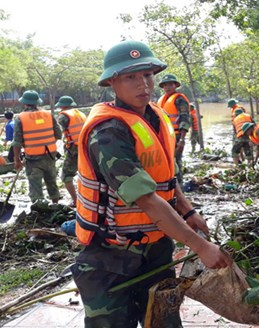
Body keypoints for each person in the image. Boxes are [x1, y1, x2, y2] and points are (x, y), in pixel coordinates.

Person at [71, 40, 231, 328]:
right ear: (112, 82)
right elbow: (146, 198)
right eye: (130, 77)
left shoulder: (155, 116)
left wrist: (188, 211)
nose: (142, 84)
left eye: (147, 75)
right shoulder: (108, 132)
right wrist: (200, 246)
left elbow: (167, 178)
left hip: (155, 249)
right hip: (111, 256)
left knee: (163, 321)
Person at [12, 90, 62, 204]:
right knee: (52, 182)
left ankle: (39, 212)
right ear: (37, 103)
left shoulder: (20, 117)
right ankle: (56, 206)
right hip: (50, 155)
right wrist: (46, 142)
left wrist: (17, 160)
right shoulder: (48, 114)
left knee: (35, 187)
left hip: (33, 158)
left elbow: (17, 142)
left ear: (24, 103)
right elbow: (58, 134)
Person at [157, 73, 191, 185]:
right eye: (165, 85)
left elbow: (185, 118)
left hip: (176, 136)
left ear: (175, 85)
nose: (168, 87)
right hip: (164, 136)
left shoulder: (179, 99)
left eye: (170, 84)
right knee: (166, 162)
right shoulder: (161, 100)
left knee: (176, 161)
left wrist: (182, 139)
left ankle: (179, 187)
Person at [56, 95, 87, 207]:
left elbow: (57, 132)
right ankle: (87, 199)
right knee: (86, 174)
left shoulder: (63, 116)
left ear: (62, 106)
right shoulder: (81, 114)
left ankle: (75, 200)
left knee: (66, 176)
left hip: (74, 149)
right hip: (86, 147)